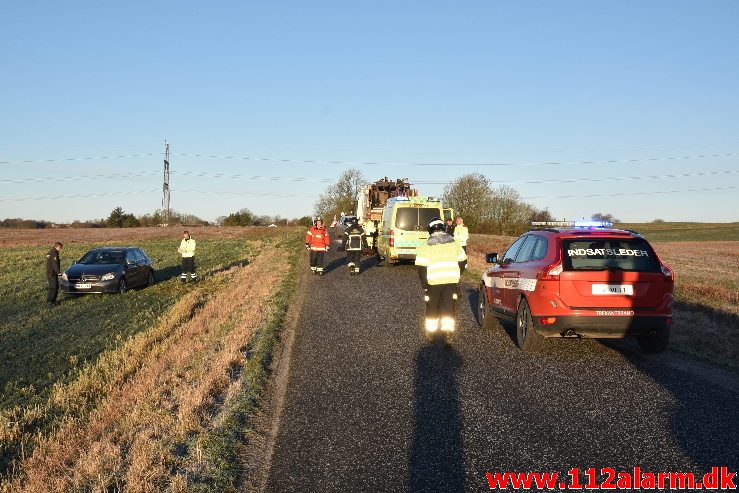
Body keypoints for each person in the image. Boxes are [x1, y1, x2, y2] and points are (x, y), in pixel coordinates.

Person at [415, 218, 467, 335]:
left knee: (432, 306)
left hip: (433, 282)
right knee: (449, 306)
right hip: (451, 280)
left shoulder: (426, 245)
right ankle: (448, 333)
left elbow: (421, 267)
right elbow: (463, 261)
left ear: (431, 230)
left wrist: (424, 284)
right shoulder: (454, 243)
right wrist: (457, 274)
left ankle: (432, 333)